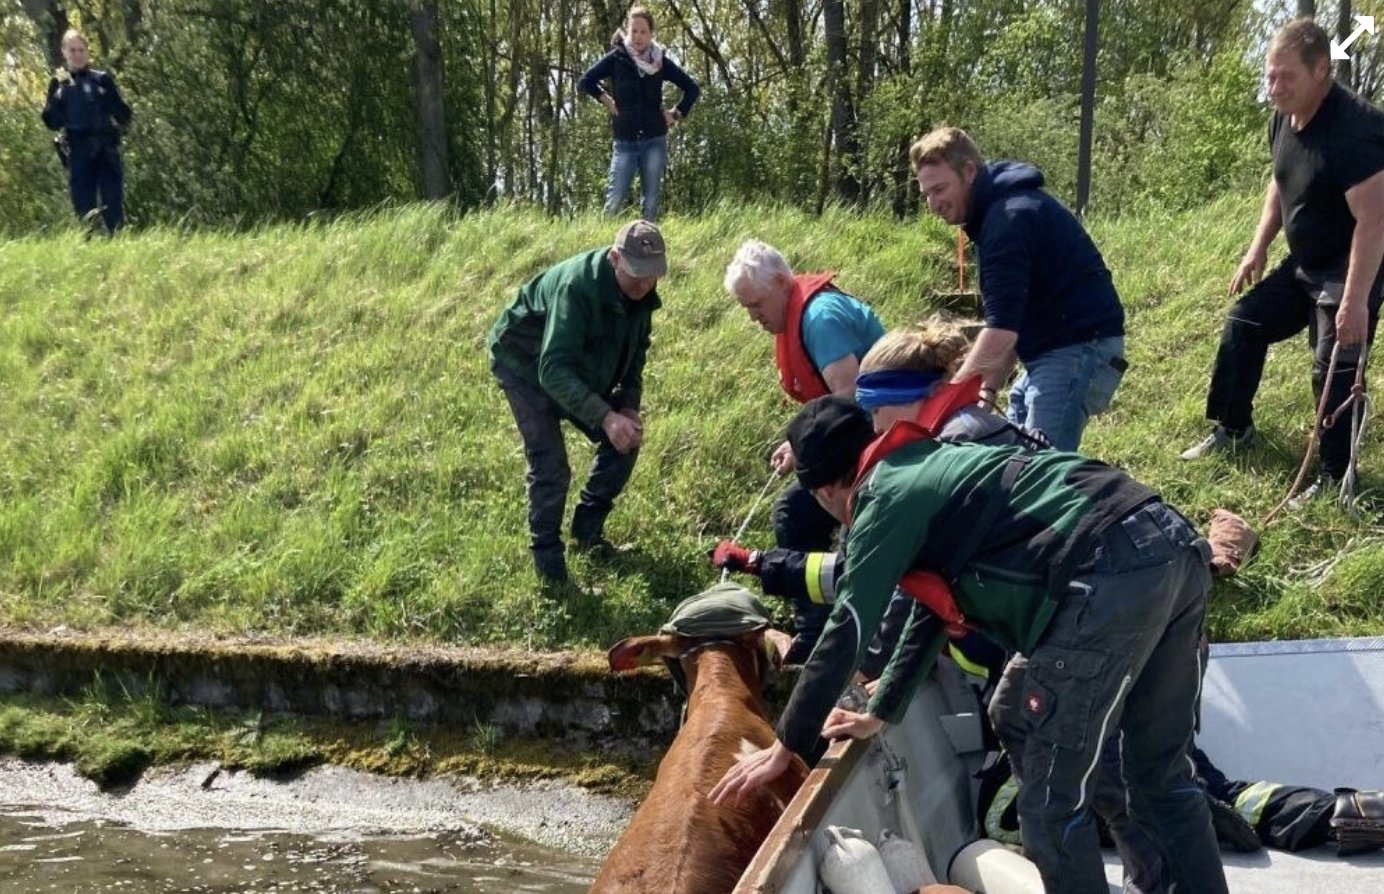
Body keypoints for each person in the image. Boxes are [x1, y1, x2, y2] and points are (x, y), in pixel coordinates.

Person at [710, 396, 1229, 894]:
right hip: (1172, 546)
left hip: (1100, 579)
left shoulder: (882, 497)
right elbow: (931, 607)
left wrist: (787, 744)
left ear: (824, 492)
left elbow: (846, 627)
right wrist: (881, 711)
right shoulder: (933, 460)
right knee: (1144, 769)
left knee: (1050, 807)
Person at [1180, 19, 1384, 507]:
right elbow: (1281, 180)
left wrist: (1355, 301)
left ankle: (1339, 480)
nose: (1273, 88)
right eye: (1269, 77)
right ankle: (1234, 429)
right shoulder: (1284, 115)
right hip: (1305, 261)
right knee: (1243, 323)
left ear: (1321, 71)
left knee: (1333, 366)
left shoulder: (1355, 131)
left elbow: (1374, 222)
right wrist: (1258, 246)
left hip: (1351, 266)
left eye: (1285, 77)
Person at [911, 127, 1127, 451]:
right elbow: (1014, 317)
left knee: (1042, 472)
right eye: (926, 193)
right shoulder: (997, 213)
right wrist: (987, 389)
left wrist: (951, 398)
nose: (933, 204)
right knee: (1014, 457)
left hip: (1080, 349)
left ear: (969, 171)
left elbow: (1001, 333)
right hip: (1054, 349)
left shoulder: (1008, 221)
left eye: (940, 189)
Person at [723, 239, 887, 661]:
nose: (753, 317)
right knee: (797, 511)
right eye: (746, 309)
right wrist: (797, 445)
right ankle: (820, 625)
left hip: (883, 441)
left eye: (756, 304)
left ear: (781, 283)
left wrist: (806, 451)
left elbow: (851, 399)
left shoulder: (820, 318)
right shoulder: (803, 312)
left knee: (794, 513)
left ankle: (817, 634)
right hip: (864, 437)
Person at [488, 220, 667, 586]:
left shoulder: (641, 294)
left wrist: (628, 408)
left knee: (625, 439)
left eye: (653, 275)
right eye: (637, 275)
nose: (645, 284)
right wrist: (604, 416)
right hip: (523, 363)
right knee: (550, 464)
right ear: (616, 258)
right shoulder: (576, 287)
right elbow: (552, 369)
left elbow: (637, 355)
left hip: (574, 365)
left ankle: (587, 536)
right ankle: (550, 571)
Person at [578, 5, 700, 222]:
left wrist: (676, 114)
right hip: (624, 142)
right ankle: (607, 251)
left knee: (650, 204)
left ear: (651, 33)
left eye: (643, 31)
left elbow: (692, 88)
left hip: (654, 140)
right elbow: (586, 81)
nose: (638, 36)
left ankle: (646, 250)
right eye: (634, 30)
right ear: (627, 31)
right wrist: (605, 98)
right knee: (614, 202)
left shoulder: (660, 62)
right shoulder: (617, 58)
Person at [41, 29, 132, 234]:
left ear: (88, 53)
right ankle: (90, 243)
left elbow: (124, 114)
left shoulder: (102, 79)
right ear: (64, 52)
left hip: (105, 147)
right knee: (83, 204)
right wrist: (58, 96)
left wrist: (107, 98)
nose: (77, 54)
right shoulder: (58, 82)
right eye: (72, 50)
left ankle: (118, 240)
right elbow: (51, 121)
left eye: (81, 50)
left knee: (112, 201)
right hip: (78, 147)